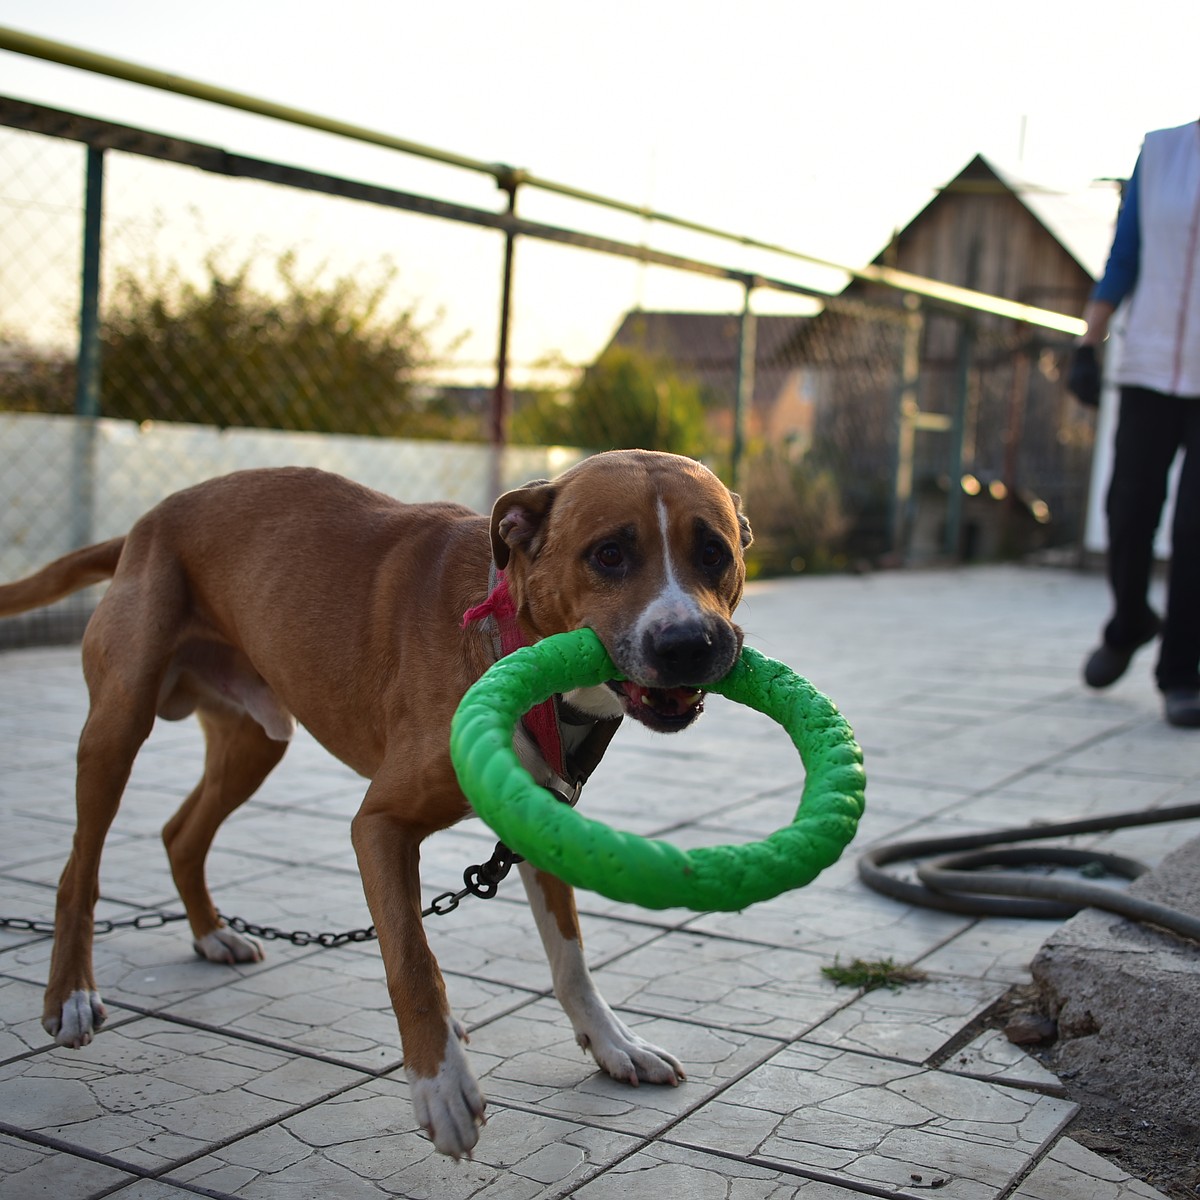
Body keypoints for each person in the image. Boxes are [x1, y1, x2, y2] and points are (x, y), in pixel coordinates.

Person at [1068, 118, 1200, 728]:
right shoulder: (1165, 149)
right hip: (1148, 366)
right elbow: (1125, 256)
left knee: (1196, 527)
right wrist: (1087, 343)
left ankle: (1180, 673)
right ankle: (1129, 621)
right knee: (1128, 510)